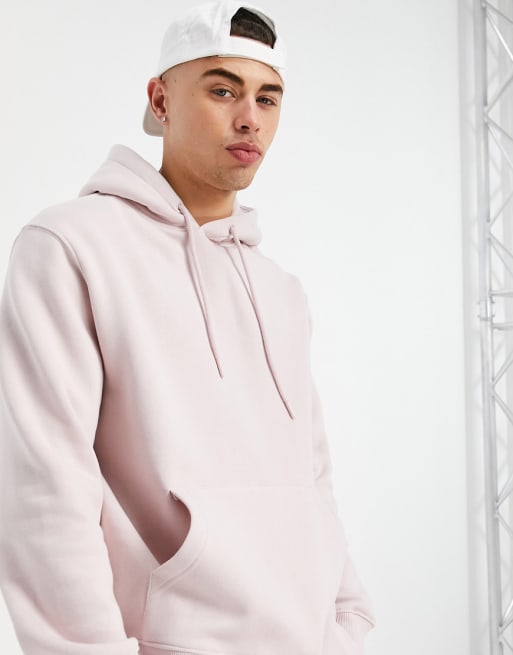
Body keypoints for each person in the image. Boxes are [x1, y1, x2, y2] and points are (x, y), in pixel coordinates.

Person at [0, 2, 375, 654]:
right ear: (160, 99)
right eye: (222, 90)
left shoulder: (281, 291)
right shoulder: (71, 246)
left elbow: (312, 476)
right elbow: (44, 486)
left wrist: (346, 617)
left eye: (268, 97)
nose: (249, 117)